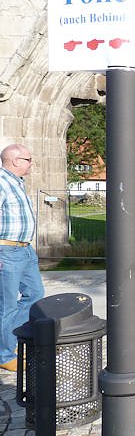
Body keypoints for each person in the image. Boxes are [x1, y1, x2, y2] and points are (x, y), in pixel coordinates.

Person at [0, 144, 45, 373]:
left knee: (35, 295)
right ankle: (4, 354)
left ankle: (10, 340)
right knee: (7, 305)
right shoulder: (1, 182)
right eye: (28, 159)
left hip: (25, 250)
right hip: (7, 251)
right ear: (15, 161)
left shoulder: (17, 182)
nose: (31, 163)